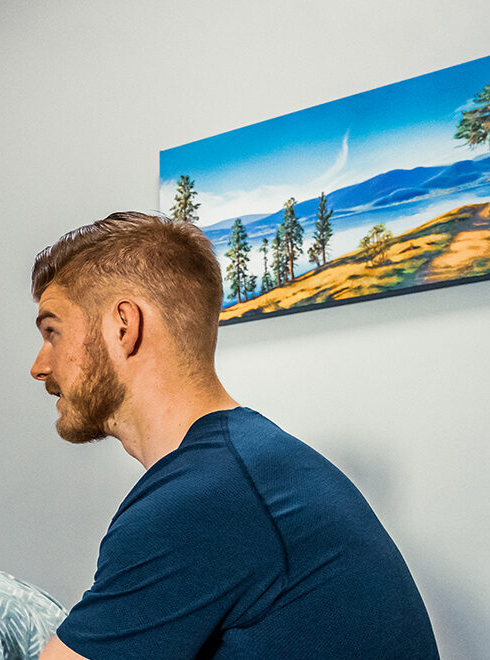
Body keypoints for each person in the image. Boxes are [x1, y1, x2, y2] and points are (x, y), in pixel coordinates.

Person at [27, 212, 438, 659]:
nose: (39, 366)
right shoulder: (253, 461)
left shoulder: (199, 501)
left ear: (123, 326)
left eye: (53, 332)